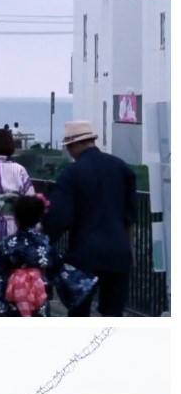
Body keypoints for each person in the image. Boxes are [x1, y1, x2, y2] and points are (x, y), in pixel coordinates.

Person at [45, 120, 136, 316]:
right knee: (113, 315)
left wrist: (45, 243)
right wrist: (130, 250)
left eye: (69, 147)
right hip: (118, 253)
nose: (69, 152)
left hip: (84, 256)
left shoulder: (72, 174)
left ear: (74, 145)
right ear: (91, 141)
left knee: (79, 313)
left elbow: (58, 217)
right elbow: (130, 217)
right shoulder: (122, 168)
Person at [0, 194, 57, 317]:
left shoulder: (6, 244)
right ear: (38, 219)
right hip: (38, 295)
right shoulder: (45, 243)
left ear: (15, 219)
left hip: (12, 296)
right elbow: (53, 269)